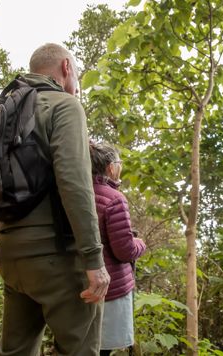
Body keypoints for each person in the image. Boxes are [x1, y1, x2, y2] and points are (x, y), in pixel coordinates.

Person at [0, 43, 110, 355]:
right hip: (57, 257)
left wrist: (6, 234)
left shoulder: (0, 111)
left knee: (15, 351)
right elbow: (75, 183)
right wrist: (94, 260)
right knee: (79, 349)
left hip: (11, 256)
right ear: (67, 68)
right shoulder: (63, 106)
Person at [89, 143, 146, 356]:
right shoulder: (114, 198)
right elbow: (124, 251)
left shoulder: (74, 193)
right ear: (111, 167)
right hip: (109, 288)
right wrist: (140, 243)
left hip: (77, 283)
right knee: (103, 349)